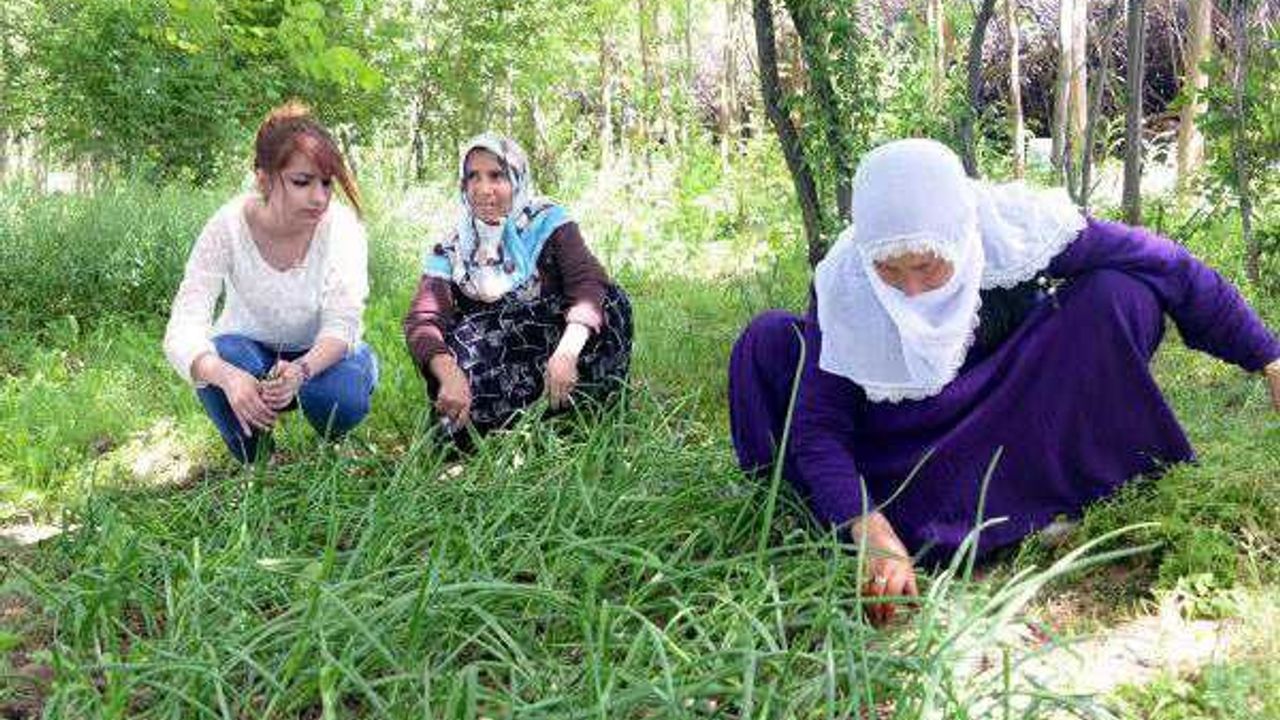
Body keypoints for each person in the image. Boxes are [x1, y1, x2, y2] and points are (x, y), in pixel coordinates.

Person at [728, 138, 1280, 624]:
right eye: (890, 272)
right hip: (908, 453)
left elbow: (1168, 264)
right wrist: (870, 530)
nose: (911, 289)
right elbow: (820, 426)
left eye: (928, 266)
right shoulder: (847, 280)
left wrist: (1267, 358)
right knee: (767, 339)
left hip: (1005, 420)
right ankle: (855, 524)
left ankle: (1059, 489)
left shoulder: (1011, 229)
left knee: (1121, 292)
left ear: (959, 234)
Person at [163, 102, 378, 463]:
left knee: (339, 395)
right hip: (249, 354)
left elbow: (343, 323)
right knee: (219, 359)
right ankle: (260, 463)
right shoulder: (227, 226)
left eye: (327, 183)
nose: (319, 198)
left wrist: (301, 370)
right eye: (301, 182)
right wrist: (225, 375)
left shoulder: (341, 227)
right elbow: (184, 325)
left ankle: (336, 445)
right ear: (263, 179)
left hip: (324, 357)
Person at [404, 133, 632, 439]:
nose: (484, 189)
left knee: (612, 302)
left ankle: (587, 417)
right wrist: (448, 372)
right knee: (465, 346)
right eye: (473, 177)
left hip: (558, 348)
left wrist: (567, 352)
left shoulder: (548, 221)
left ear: (517, 179)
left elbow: (587, 282)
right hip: (501, 361)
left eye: (496, 176)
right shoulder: (452, 247)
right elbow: (422, 321)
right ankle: (504, 434)